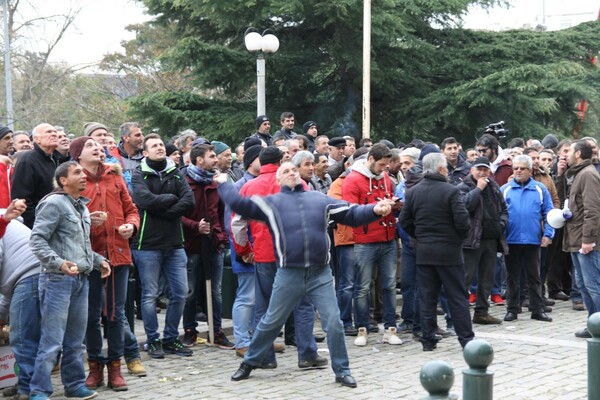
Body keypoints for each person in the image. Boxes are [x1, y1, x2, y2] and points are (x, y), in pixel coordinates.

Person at [219, 161, 394, 387]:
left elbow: (351, 213)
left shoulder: (319, 199)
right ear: (278, 180)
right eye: (286, 171)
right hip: (288, 274)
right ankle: (249, 363)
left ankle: (342, 370)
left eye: (294, 169)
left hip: (320, 274)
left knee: (333, 323)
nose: (291, 172)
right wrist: (224, 184)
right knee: (271, 321)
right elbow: (239, 205)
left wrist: (373, 210)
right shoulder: (270, 204)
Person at [29, 161, 111, 400]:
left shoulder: (82, 208)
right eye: (77, 173)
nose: (83, 176)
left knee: (75, 341)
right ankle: (39, 390)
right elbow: (37, 241)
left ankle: (74, 386)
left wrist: (99, 261)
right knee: (52, 340)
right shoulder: (53, 203)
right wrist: (59, 263)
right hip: (57, 280)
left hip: (81, 280)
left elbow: (80, 246)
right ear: (63, 180)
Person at [69, 137, 142, 391]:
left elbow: (132, 209)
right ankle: (94, 367)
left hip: (118, 255)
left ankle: (116, 368)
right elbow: (66, 220)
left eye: (99, 146)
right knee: (89, 317)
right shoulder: (72, 181)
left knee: (115, 314)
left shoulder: (115, 176)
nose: (97, 148)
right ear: (78, 155)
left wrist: (130, 226)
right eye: (90, 146)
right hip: (87, 259)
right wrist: (87, 220)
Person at [399, 153, 474, 351]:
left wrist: (420, 237)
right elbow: (463, 222)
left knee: (427, 296)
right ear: (441, 169)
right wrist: (456, 239)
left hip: (424, 251)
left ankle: (428, 339)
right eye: (446, 168)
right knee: (457, 296)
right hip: (449, 252)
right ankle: (466, 339)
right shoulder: (451, 191)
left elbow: (405, 221)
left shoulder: (413, 192)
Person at [130, 134, 195, 358]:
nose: (159, 148)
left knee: (180, 292)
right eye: (154, 146)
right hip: (146, 245)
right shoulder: (138, 174)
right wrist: (170, 199)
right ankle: (152, 340)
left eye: (161, 145)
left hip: (175, 244)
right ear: (145, 153)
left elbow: (189, 202)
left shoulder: (175, 172)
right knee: (149, 296)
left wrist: (163, 208)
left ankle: (170, 339)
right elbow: (144, 201)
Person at [342, 143, 401, 346]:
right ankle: (362, 328)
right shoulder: (352, 180)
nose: (384, 169)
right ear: (370, 160)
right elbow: (350, 212)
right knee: (362, 287)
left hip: (387, 238)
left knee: (390, 285)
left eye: (386, 165)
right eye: (381, 165)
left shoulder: (385, 177)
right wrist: (375, 208)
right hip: (365, 241)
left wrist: (394, 203)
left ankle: (391, 328)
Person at [181, 144, 234, 349]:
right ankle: (189, 331)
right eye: (211, 156)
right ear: (199, 159)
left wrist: (220, 236)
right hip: (191, 244)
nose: (216, 160)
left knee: (216, 291)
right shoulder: (183, 181)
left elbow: (221, 213)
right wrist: (195, 227)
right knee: (190, 291)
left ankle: (217, 331)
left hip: (214, 243)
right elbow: (177, 214)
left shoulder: (217, 182)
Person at [501, 155, 554, 323]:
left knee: (535, 276)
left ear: (530, 171)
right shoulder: (505, 189)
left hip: (533, 240)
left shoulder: (539, 189)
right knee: (512, 277)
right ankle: (512, 309)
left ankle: (537, 309)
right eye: (515, 168)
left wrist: (548, 234)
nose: (518, 171)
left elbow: (549, 213)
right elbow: (498, 215)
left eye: (522, 168)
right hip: (511, 240)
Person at [457, 157, 508, 325]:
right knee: (465, 278)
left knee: (487, 278)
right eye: (479, 169)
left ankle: (482, 312)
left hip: (490, 240)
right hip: (471, 241)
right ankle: (460, 314)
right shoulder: (463, 187)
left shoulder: (494, 187)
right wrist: (478, 190)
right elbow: (464, 207)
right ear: (472, 170)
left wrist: (501, 224)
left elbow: (503, 209)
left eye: (485, 169)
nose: (482, 172)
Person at [562, 141, 600, 338]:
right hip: (575, 238)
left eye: (569, 151)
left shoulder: (588, 175)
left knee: (593, 285)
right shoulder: (578, 173)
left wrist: (588, 240)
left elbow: (592, 210)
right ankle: (593, 323)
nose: (566, 154)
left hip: (586, 241)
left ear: (577, 154)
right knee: (583, 284)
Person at [0, 200, 35, 400]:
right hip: (31, 275)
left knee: (23, 337)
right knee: (31, 335)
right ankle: (25, 383)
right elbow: (7, 292)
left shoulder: (4, 223)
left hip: (27, 276)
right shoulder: (15, 223)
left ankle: (27, 388)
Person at [11, 123, 66, 228]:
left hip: (59, 223)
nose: (54, 134)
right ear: (37, 139)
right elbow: (22, 198)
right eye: (49, 132)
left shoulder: (57, 159)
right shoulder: (27, 160)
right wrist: (38, 225)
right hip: (40, 226)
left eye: (55, 132)